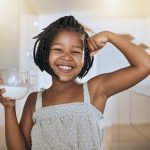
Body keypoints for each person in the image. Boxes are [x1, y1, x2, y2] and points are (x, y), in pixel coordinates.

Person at [0, 16, 150, 150]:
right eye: (58, 50)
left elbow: (145, 65)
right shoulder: (34, 100)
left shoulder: (95, 90)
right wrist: (9, 108)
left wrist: (108, 35)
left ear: (85, 58)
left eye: (76, 51)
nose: (67, 57)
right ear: (45, 54)